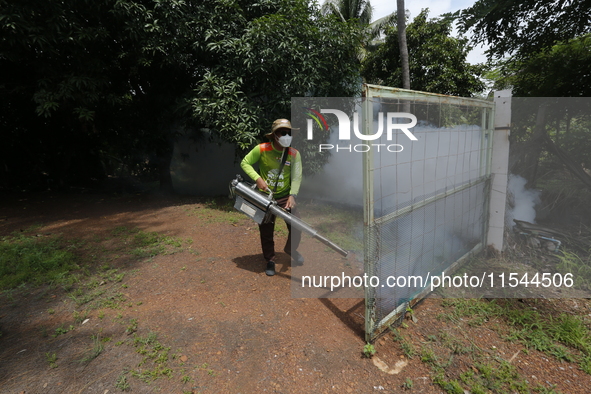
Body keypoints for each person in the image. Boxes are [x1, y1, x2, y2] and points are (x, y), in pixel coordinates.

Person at [240, 118, 305, 276]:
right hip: (265, 198)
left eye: (289, 133)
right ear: (274, 135)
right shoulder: (261, 149)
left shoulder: (294, 154)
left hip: (285, 197)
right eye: (283, 132)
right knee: (266, 230)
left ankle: (290, 249)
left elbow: (297, 177)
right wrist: (258, 178)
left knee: (297, 226)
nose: (286, 136)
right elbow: (245, 163)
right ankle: (270, 259)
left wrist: (292, 195)